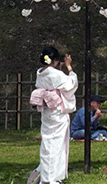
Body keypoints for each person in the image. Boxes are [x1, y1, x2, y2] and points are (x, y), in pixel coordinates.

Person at [29, 46, 79, 184]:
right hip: (57, 112)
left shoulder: (40, 72)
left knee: (48, 142)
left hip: (47, 111)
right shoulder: (55, 74)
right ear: (55, 60)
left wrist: (59, 68)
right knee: (55, 145)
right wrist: (69, 67)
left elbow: (56, 80)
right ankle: (50, 178)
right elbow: (71, 84)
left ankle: (49, 175)